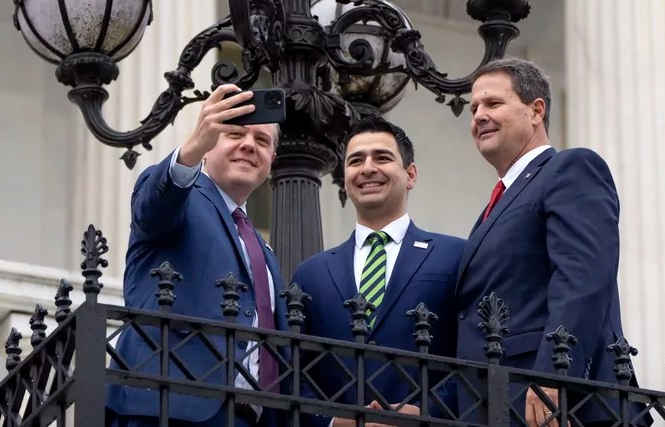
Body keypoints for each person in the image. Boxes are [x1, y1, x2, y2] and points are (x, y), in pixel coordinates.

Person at [455, 57, 644, 427]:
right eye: (473, 107)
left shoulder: (570, 169)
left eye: (493, 104)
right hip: (495, 404)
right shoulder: (498, 202)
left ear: (536, 110)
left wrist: (554, 376)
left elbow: (583, 277)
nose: (478, 115)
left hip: (554, 405)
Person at [106, 84, 288, 427]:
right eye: (234, 133)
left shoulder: (262, 249)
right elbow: (152, 209)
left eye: (262, 141)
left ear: (272, 161)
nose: (249, 145)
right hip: (168, 407)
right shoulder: (181, 196)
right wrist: (190, 149)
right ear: (208, 144)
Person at [292, 116, 465, 426]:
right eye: (356, 161)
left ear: (410, 174)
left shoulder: (456, 256)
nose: (368, 168)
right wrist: (332, 421)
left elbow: (476, 359)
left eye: (382, 157)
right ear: (345, 178)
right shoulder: (311, 274)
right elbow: (293, 370)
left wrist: (426, 412)